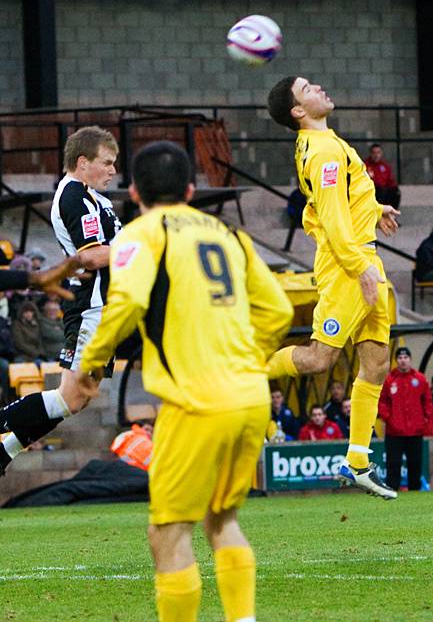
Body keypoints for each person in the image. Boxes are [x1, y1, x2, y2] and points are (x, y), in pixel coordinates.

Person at [75, 141, 293, 622]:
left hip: (196, 403)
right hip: (251, 397)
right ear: (192, 190)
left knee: (168, 532)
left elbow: (127, 304)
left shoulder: (139, 235)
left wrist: (90, 367)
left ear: (133, 190)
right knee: (222, 520)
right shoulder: (229, 234)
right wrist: (245, 357)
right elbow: (278, 310)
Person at [267, 76, 400, 499]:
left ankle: (357, 461)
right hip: (349, 265)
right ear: (297, 111)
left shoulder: (326, 142)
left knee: (377, 362)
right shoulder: (322, 149)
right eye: (307, 87)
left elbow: (338, 201)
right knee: (321, 358)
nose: (320, 86)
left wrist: (375, 208)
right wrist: (359, 268)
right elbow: (332, 217)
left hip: (363, 258)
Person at [0, 126, 121, 476]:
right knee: (70, 397)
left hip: (107, 306)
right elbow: (92, 257)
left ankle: (5, 451)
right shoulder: (73, 197)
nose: (113, 171)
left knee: (78, 398)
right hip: (92, 306)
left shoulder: (95, 198)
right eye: (107, 163)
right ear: (83, 162)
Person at [378, 347, 433, 491]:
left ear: (410, 360)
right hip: (394, 432)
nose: (403, 361)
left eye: (406, 358)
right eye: (400, 358)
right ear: (396, 361)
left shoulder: (419, 379)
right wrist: (388, 418)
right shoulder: (389, 380)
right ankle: (391, 491)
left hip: (415, 431)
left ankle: (415, 491)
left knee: (415, 463)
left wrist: (425, 418)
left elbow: (427, 400)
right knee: (393, 464)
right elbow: (381, 402)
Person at [364, 143, 401, 209]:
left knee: (396, 192)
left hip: (384, 191)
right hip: (372, 191)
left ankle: (391, 214)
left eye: (378, 153)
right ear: (370, 154)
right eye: (374, 153)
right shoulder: (365, 165)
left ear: (381, 153)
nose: (376, 155)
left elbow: (391, 181)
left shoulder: (385, 166)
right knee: (380, 190)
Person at [11, 300, 45, 365]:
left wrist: (40, 353)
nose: (29, 314)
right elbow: (19, 343)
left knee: (45, 366)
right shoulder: (16, 324)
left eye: (31, 311)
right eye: (26, 312)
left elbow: (40, 341)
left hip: (36, 356)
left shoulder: (36, 324)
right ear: (21, 313)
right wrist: (35, 352)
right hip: (21, 355)